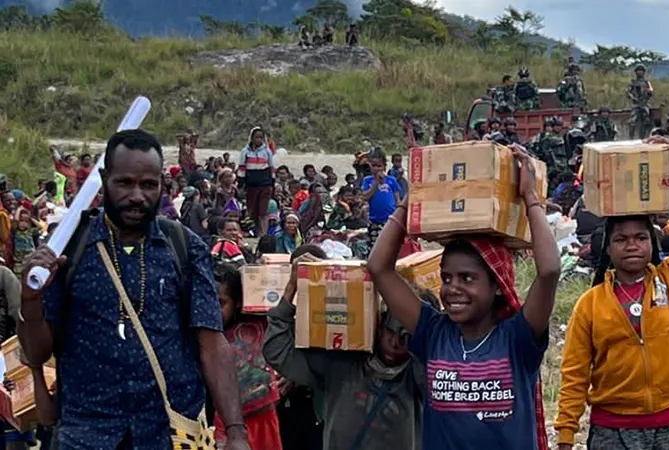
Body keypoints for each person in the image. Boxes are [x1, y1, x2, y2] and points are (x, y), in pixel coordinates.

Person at [17, 129, 249, 450]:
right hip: (87, 433)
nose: (137, 196)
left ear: (161, 186)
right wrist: (30, 299)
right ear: (104, 179)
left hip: (170, 433)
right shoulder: (69, 248)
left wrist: (236, 431)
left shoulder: (185, 248)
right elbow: (38, 353)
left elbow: (212, 343)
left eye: (148, 185)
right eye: (125, 183)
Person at [366, 145, 559, 450]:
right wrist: (408, 204)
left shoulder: (517, 338)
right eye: (446, 278)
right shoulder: (433, 333)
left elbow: (548, 271)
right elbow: (378, 268)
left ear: (497, 285)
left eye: (467, 278)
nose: (452, 288)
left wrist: (531, 198)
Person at [554, 136, 669, 450]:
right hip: (611, 431)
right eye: (621, 239)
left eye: (641, 237)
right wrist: (565, 436)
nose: (632, 245)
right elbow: (574, 373)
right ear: (608, 248)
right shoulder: (590, 304)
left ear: (652, 244)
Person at [263, 245, 426, 450]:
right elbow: (276, 351)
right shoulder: (343, 361)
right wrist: (292, 287)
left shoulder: (417, 374)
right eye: (390, 331)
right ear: (377, 321)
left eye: (405, 337)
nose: (395, 343)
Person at [214, 262, 282, 450]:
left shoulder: (257, 321)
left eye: (221, 303)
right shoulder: (205, 336)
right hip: (225, 423)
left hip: (264, 417)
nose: (213, 310)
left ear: (236, 302)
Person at [239, 127, 276, 237]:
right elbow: (242, 167)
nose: (258, 140)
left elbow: (271, 167)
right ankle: (253, 231)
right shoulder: (245, 152)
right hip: (251, 184)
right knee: (252, 210)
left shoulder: (267, 151)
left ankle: (262, 234)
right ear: (252, 138)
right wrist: (241, 181)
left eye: (260, 137)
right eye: (256, 137)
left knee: (263, 211)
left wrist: (272, 181)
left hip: (265, 184)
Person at [362, 148, 401, 250]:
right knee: (375, 247)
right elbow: (365, 197)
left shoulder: (391, 180)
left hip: (390, 220)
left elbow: (397, 200)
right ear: (370, 166)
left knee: (391, 246)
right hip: (375, 221)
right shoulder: (367, 181)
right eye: (374, 166)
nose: (377, 169)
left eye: (379, 166)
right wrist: (375, 184)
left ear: (384, 166)